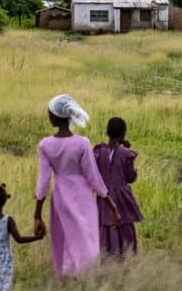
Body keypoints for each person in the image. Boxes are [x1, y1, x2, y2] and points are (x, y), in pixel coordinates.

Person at [33, 94, 120, 277]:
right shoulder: (82, 143)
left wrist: (37, 215)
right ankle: (86, 276)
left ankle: (66, 275)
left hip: (60, 196)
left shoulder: (46, 145)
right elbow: (94, 177)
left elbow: (43, 183)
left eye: (49, 114)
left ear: (56, 117)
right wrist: (111, 205)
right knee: (85, 235)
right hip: (82, 195)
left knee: (64, 237)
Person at [94, 117, 144, 257]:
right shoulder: (126, 154)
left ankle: (107, 258)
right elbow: (131, 177)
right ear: (123, 134)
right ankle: (125, 258)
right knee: (124, 226)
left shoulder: (98, 152)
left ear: (107, 132)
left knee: (106, 226)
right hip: (121, 197)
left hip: (104, 196)